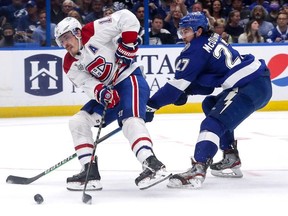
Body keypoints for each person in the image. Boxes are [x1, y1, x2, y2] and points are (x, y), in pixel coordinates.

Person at [145, 11, 272, 188]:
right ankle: (230, 156)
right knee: (211, 104)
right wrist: (187, 91)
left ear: (198, 31)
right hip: (256, 82)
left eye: (187, 30)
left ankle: (198, 168)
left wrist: (150, 105)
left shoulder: (194, 50)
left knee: (211, 124)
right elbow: (208, 84)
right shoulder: (211, 38)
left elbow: (175, 87)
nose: (183, 35)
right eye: (181, 31)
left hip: (249, 86)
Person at [54, 9, 171, 191]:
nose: (65, 44)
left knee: (130, 120)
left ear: (77, 32)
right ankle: (89, 172)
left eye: (66, 38)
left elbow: (126, 17)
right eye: (61, 41)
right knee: (77, 122)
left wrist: (128, 42)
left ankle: (152, 164)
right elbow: (86, 83)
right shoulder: (69, 64)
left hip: (129, 79)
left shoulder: (92, 31)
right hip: (110, 91)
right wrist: (100, 92)